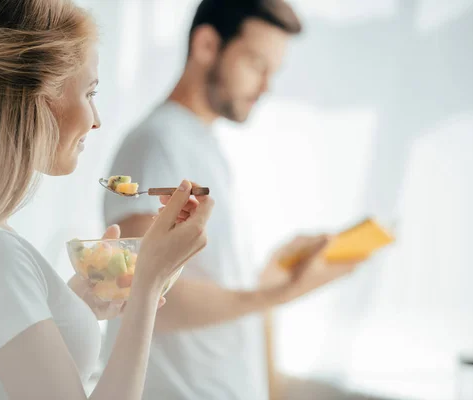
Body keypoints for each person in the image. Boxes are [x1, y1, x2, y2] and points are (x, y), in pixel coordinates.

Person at [0, 1, 214, 400]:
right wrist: (147, 285)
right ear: (35, 98)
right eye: (89, 92)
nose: (96, 119)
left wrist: (73, 305)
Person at [103, 0, 365, 399]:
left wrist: (272, 276)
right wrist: (279, 293)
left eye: (272, 72)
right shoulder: (158, 143)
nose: (266, 87)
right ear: (208, 45)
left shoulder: (205, 147)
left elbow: (203, 285)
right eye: (257, 65)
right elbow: (137, 286)